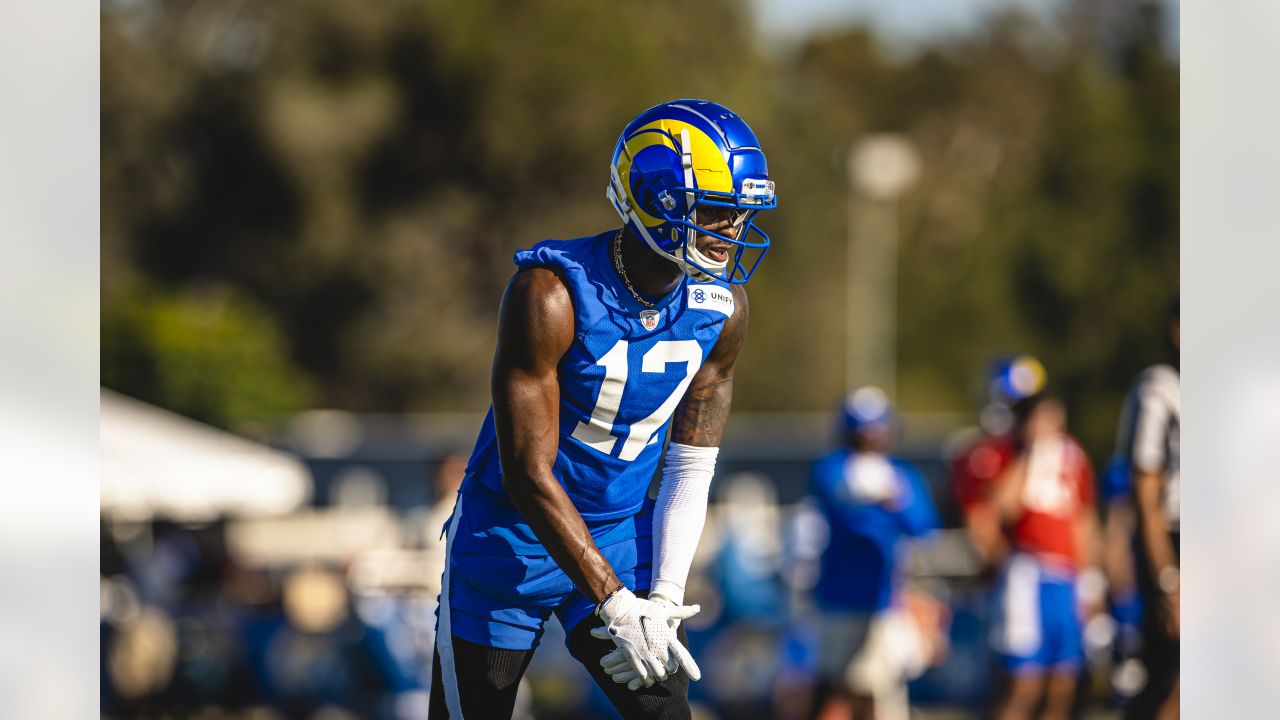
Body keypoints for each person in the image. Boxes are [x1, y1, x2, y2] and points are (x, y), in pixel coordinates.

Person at [427, 99, 777, 720]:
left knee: (667, 714)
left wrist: (663, 597)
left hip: (620, 536)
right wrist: (616, 604)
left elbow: (691, 468)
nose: (733, 231)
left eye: (741, 213)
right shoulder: (550, 295)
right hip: (509, 542)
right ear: (656, 201)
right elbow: (527, 475)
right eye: (720, 212)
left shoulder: (721, 311)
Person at [951, 358, 1104, 720]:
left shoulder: (1071, 454)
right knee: (1021, 683)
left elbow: (1084, 521)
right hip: (1023, 576)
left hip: (1065, 577)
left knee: (1064, 682)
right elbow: (987, 518)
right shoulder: (992, 454)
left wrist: (1092, 581)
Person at [808, 387, 942, 720]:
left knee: (878, 691)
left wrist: (892, 498)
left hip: (881, 600)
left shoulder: (902, 475)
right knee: (832, 688)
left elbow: (923, 525)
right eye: (862, 433)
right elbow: (840, 502)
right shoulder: (832, 467)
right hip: (837, 597)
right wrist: (876, 499)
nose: (871, 439)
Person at [1116, 298, 1180, 720]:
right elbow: (1146, 493)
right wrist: (1167, 578)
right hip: (1173, 545)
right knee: (1173, 679)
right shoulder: (1159, 388)